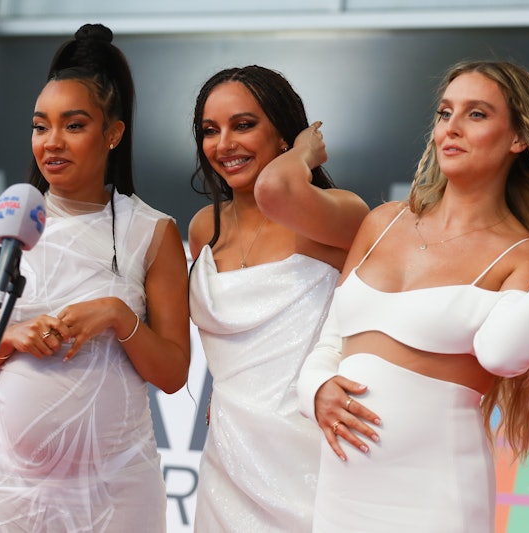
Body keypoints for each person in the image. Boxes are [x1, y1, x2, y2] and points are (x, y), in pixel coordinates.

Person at [297, 59, 529, 532]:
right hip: (341, 494)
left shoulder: (526, 255)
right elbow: (329, 341)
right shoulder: (384, 222)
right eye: (444, 113)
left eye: (476, 114)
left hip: (437, 498)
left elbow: (503, 354)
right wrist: (315, 389)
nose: (451, 128)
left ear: (518, 138)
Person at [0, 24, 190, 532]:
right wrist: (11, 336)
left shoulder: (151, 231)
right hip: (12, 491)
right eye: (41, 126)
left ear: (113, 133)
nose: (52, 143)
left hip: (118, 490)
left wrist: (117, 315)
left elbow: (173, 374)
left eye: (74, 126)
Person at [187, 65, 369, 532]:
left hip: (312, 448)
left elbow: (276, 191)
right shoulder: (204, 228)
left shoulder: (342, 213)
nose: (224, 144)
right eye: (211, 131)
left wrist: (303, 154)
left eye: (243, 125)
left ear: (284, 135)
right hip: (227, 457)